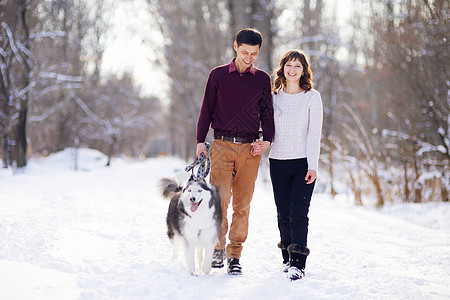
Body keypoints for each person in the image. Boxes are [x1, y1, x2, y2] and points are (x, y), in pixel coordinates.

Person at [196, 28, 274, 275]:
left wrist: (268, 140)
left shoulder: (262, 79)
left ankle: (235, 255)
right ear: (235, 47)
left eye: (254, 54)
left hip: (251, 149)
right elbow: (206, 109)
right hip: (221, 146)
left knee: (242, 204)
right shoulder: (218, 75)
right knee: (219, 200)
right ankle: (218, 248)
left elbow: (267, 112)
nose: (249, 58)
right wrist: (200, 141)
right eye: (244, 52)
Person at [268, 50, 323, 281]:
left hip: (302, 164)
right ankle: (286, 259)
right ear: (282, 69)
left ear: (304, 71)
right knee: (283, 213)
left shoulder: (312, 97)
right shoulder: (273, 97)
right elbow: (266, 129)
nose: (292, 69)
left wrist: (313, 166)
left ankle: (298, 263)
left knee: (299, 213)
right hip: (277, 161)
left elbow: (314, 134)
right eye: (289, 65)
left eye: (297, 66)